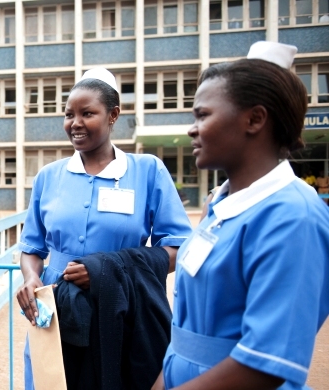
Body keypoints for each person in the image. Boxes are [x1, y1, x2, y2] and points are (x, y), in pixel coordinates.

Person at [154, 41, 329, 390]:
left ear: (254, 119)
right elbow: (187, 332)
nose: (192, 128)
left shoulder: (294, 217)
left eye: (202, 115)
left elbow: (265, 364)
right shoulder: (220, 207)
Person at [17, 67, 193, 389]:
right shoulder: (49, 176)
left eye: (87, 113)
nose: (75, 123)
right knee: (53, 379)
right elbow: (32, 247)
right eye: (69, 114)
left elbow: (179, 248)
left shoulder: (147, 171)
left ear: (113, 115)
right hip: (56, 308)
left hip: (120, 306)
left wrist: (105, 270)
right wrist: (31, 278)